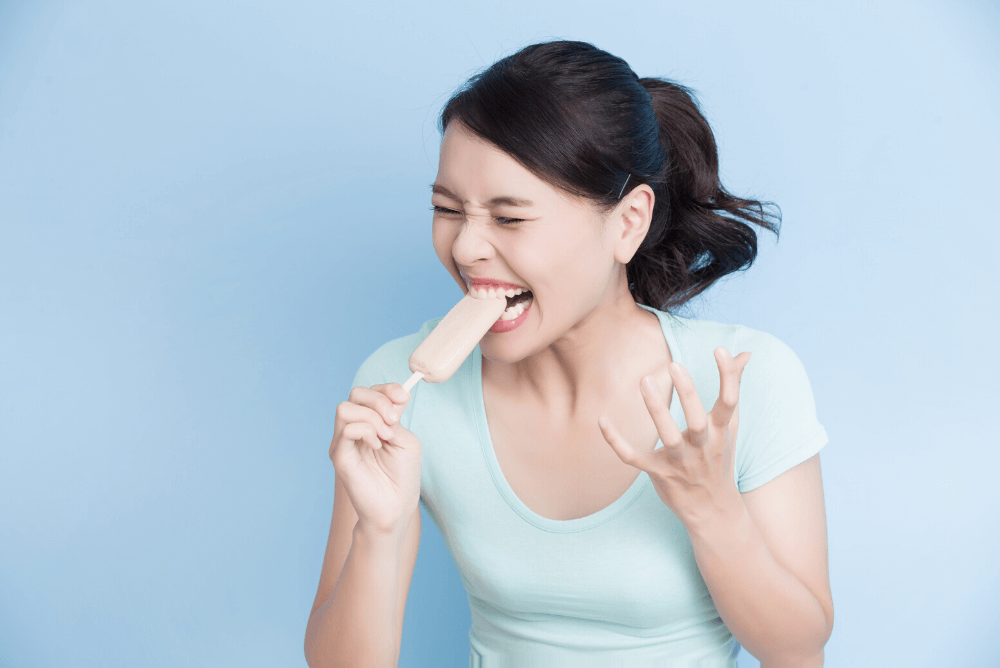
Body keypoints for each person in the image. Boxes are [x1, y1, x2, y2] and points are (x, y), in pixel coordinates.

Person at [304, 40, 833, 667]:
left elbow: (798, 652)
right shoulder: (395, 391)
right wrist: (378, 535)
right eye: (447, 210)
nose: (466, 247)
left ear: (628, 223)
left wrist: (715, 515)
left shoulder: (737, 383)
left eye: (510, 218)